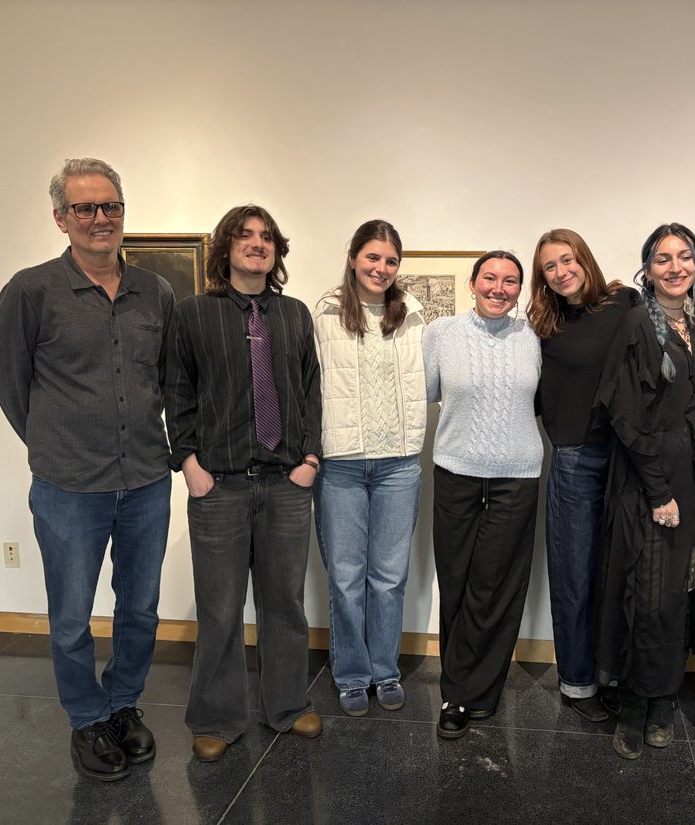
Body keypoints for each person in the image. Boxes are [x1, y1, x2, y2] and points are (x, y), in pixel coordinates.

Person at [0, 158, 173, 782]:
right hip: (69, 487)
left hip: (147, 478)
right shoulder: (29, 291)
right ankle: (86, 718)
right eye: (85, 209)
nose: (100, 219)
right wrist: (56, 446)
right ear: (61, 218)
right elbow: (13, 388)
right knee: (71, 615)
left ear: (124, 211)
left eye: (111, 206)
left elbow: (169, 379)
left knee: (141, 608)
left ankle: (123, 704)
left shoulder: (157, 292)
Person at [165, 204, 324, 762]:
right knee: (220, 606)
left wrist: (310, 458)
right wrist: (189, 465)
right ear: (226, 247)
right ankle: (215, 717)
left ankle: (286, 706)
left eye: (266, 237)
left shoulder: (295, 314)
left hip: (285, 482)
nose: (256, 244)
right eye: (244, 235)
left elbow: (309, 390)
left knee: (284, 601)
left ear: (276, 250)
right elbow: (177, 393)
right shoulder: (192, 314)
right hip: (220, 485)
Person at [594, 223, 695, 760]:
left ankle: (664, 698)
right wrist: (657, 491)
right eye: (663, 258)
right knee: (644, 595)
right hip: (651, 483)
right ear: (646, 268)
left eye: (685, 257)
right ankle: (634, 705)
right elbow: (626, 416)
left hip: (693, 483)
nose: (676, 267)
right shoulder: (635, 326)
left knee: (679, 592)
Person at [423, 251, 543, 739]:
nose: (499, 287)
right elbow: (430, 393)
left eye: (510, 281)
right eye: (489, 278)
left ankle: (479, 693)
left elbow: (539, 403)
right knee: (456, 581)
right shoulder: (441, 334)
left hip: (519, 474)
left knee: (496, 586)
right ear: (472, 284)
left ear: (520, 289)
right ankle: (454, 690)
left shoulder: (535, 338)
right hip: (456, 471)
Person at [312, 219, 426, 717]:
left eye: (391, 260)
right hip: (341, 465)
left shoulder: (414, 315)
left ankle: (385, 670)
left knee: (389, 576)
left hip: (399, 464)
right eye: (373, 257)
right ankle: (353, 674)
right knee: (345, 576)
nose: (381, 268)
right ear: (354, 256)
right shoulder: (325, 313)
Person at [528, 229, 640, 721]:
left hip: (625, 456)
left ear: (584, 260)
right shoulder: (544, 324)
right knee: (574, 574)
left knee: (619, 573)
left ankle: (614, 675)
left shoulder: (624, 303)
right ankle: (577, 684)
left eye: (567, 260)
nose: (561, 271)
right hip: (574, 459)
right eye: (550, 267)